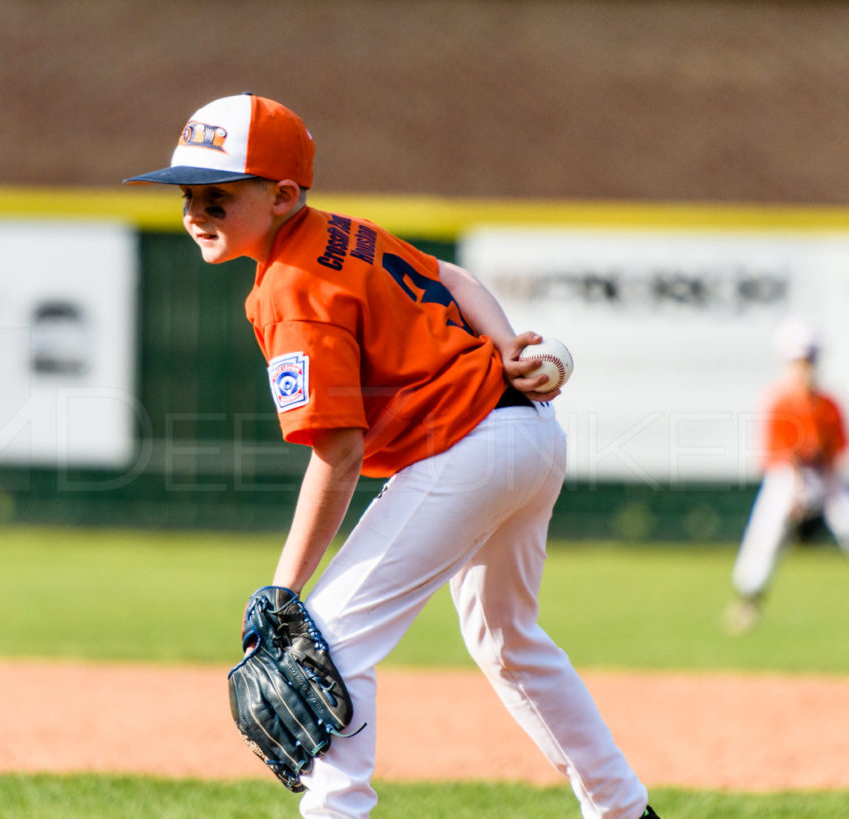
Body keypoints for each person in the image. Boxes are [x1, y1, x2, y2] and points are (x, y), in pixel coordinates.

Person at [125, 93, 659, 819]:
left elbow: (339, 457)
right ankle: (623, 809)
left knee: (327, 645)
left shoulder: (292, 288)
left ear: (282, 195)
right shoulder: (342, 232)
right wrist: (503, 344)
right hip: (527, 433)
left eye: (217, 197)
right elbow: (459, 281)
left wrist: (284, 590)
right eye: (187, 195)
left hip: (467, 445)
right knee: (509, 641)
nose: (195, 214)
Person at [726, 318, 849, 634]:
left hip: (824, 476)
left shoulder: (828, 404)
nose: (804, 368)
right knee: (766, 530)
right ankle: (748, 600)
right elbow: (783, 458)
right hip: (788, 478)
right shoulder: (779, 400)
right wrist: (796, 496)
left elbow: (835, 457)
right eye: (798, 361)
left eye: (808, 360)